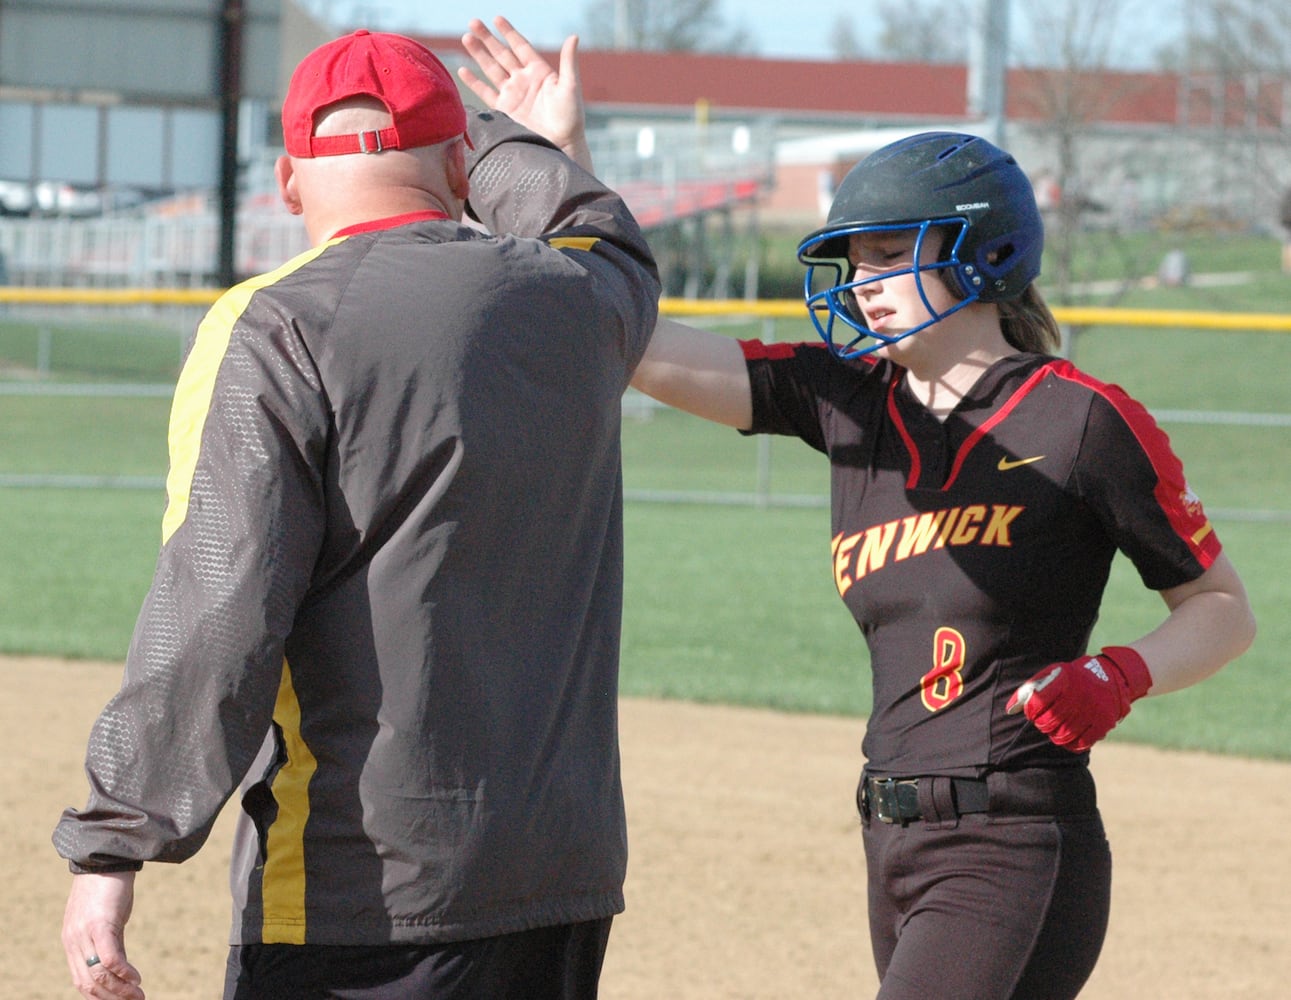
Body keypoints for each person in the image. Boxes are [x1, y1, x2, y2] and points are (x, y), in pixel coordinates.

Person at [460, 18, 1257, 1000]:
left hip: (1012, 832)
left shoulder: (1081, 421)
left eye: (890, 254)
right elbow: (633, 335)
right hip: (891, 834)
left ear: (983, 252)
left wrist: (1122, 672)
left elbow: (1221, 606)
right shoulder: (845, 396)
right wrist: (560, 162)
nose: (864, 286)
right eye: (856, 260)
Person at [54, 27, 659, 1000]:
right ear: (458, 165)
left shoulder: (277, 325)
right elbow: (600, 225)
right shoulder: (580, 296)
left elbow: (220, 609)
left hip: (363, 883)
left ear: (289, 182)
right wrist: (517, 143)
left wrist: (114, 844)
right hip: (562, 876)